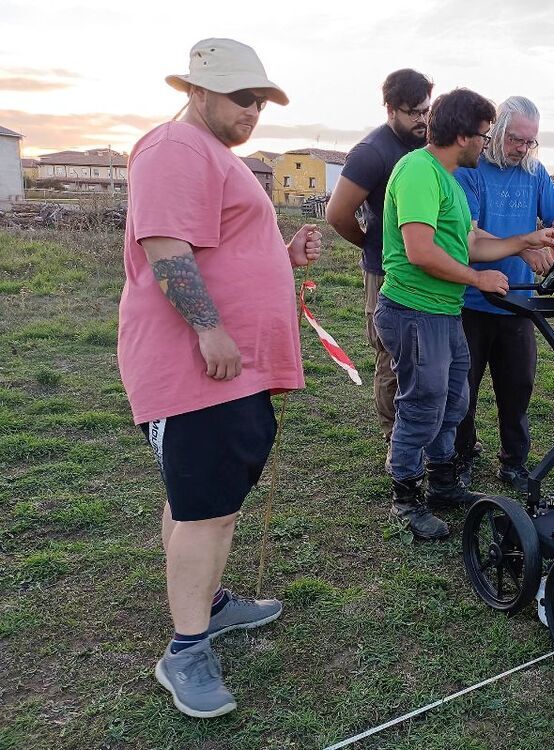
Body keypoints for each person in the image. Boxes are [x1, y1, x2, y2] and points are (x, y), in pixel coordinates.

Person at [117, 38, 322, 718]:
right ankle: (185, 650)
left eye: (259, 99)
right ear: (198, 91)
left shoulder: (213, 157)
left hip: (226, 369)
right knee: (209, 508)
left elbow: (222, 248)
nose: (253, 110)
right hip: (197, 366)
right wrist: (208, 327)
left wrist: (281, 255)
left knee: (202, 498)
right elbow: (166, 247)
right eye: (242, 97)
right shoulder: (175, 148)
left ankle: (206, 604)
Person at [375, 88, 554, 540]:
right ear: (462, 136)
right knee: (422, 405)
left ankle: (443, 484)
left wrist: (524, 242)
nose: (487, 143)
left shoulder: (447, 176)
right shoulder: (419, 172)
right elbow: (420, 250)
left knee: (454, 402)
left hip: (443, 311)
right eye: (483, 135)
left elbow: (471, 242)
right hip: (414, 310)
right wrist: (477, 279)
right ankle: (405, 498)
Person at [453, 96, 554, 492]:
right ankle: (461, 455)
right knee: (463, 388)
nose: (522, 149)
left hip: (518, 301)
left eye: (530, 142)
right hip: (473, 300)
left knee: (517, 388)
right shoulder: (472, 170)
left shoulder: (534, 172)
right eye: (516, 139)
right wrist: (521, 245)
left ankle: (514, 460)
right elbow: (471, 235)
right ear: (495, 132)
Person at [325, 69, 434, 442]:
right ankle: (394, 434)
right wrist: (372, 246)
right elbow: (337, 214)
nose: (422, 120)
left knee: (426, 351)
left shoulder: (424, 145)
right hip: (385, 272)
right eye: (413, 112)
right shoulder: (372, 152)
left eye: (426, 110)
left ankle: (424, 427)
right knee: (391, 354)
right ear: (390, 109)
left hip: (427, 266)